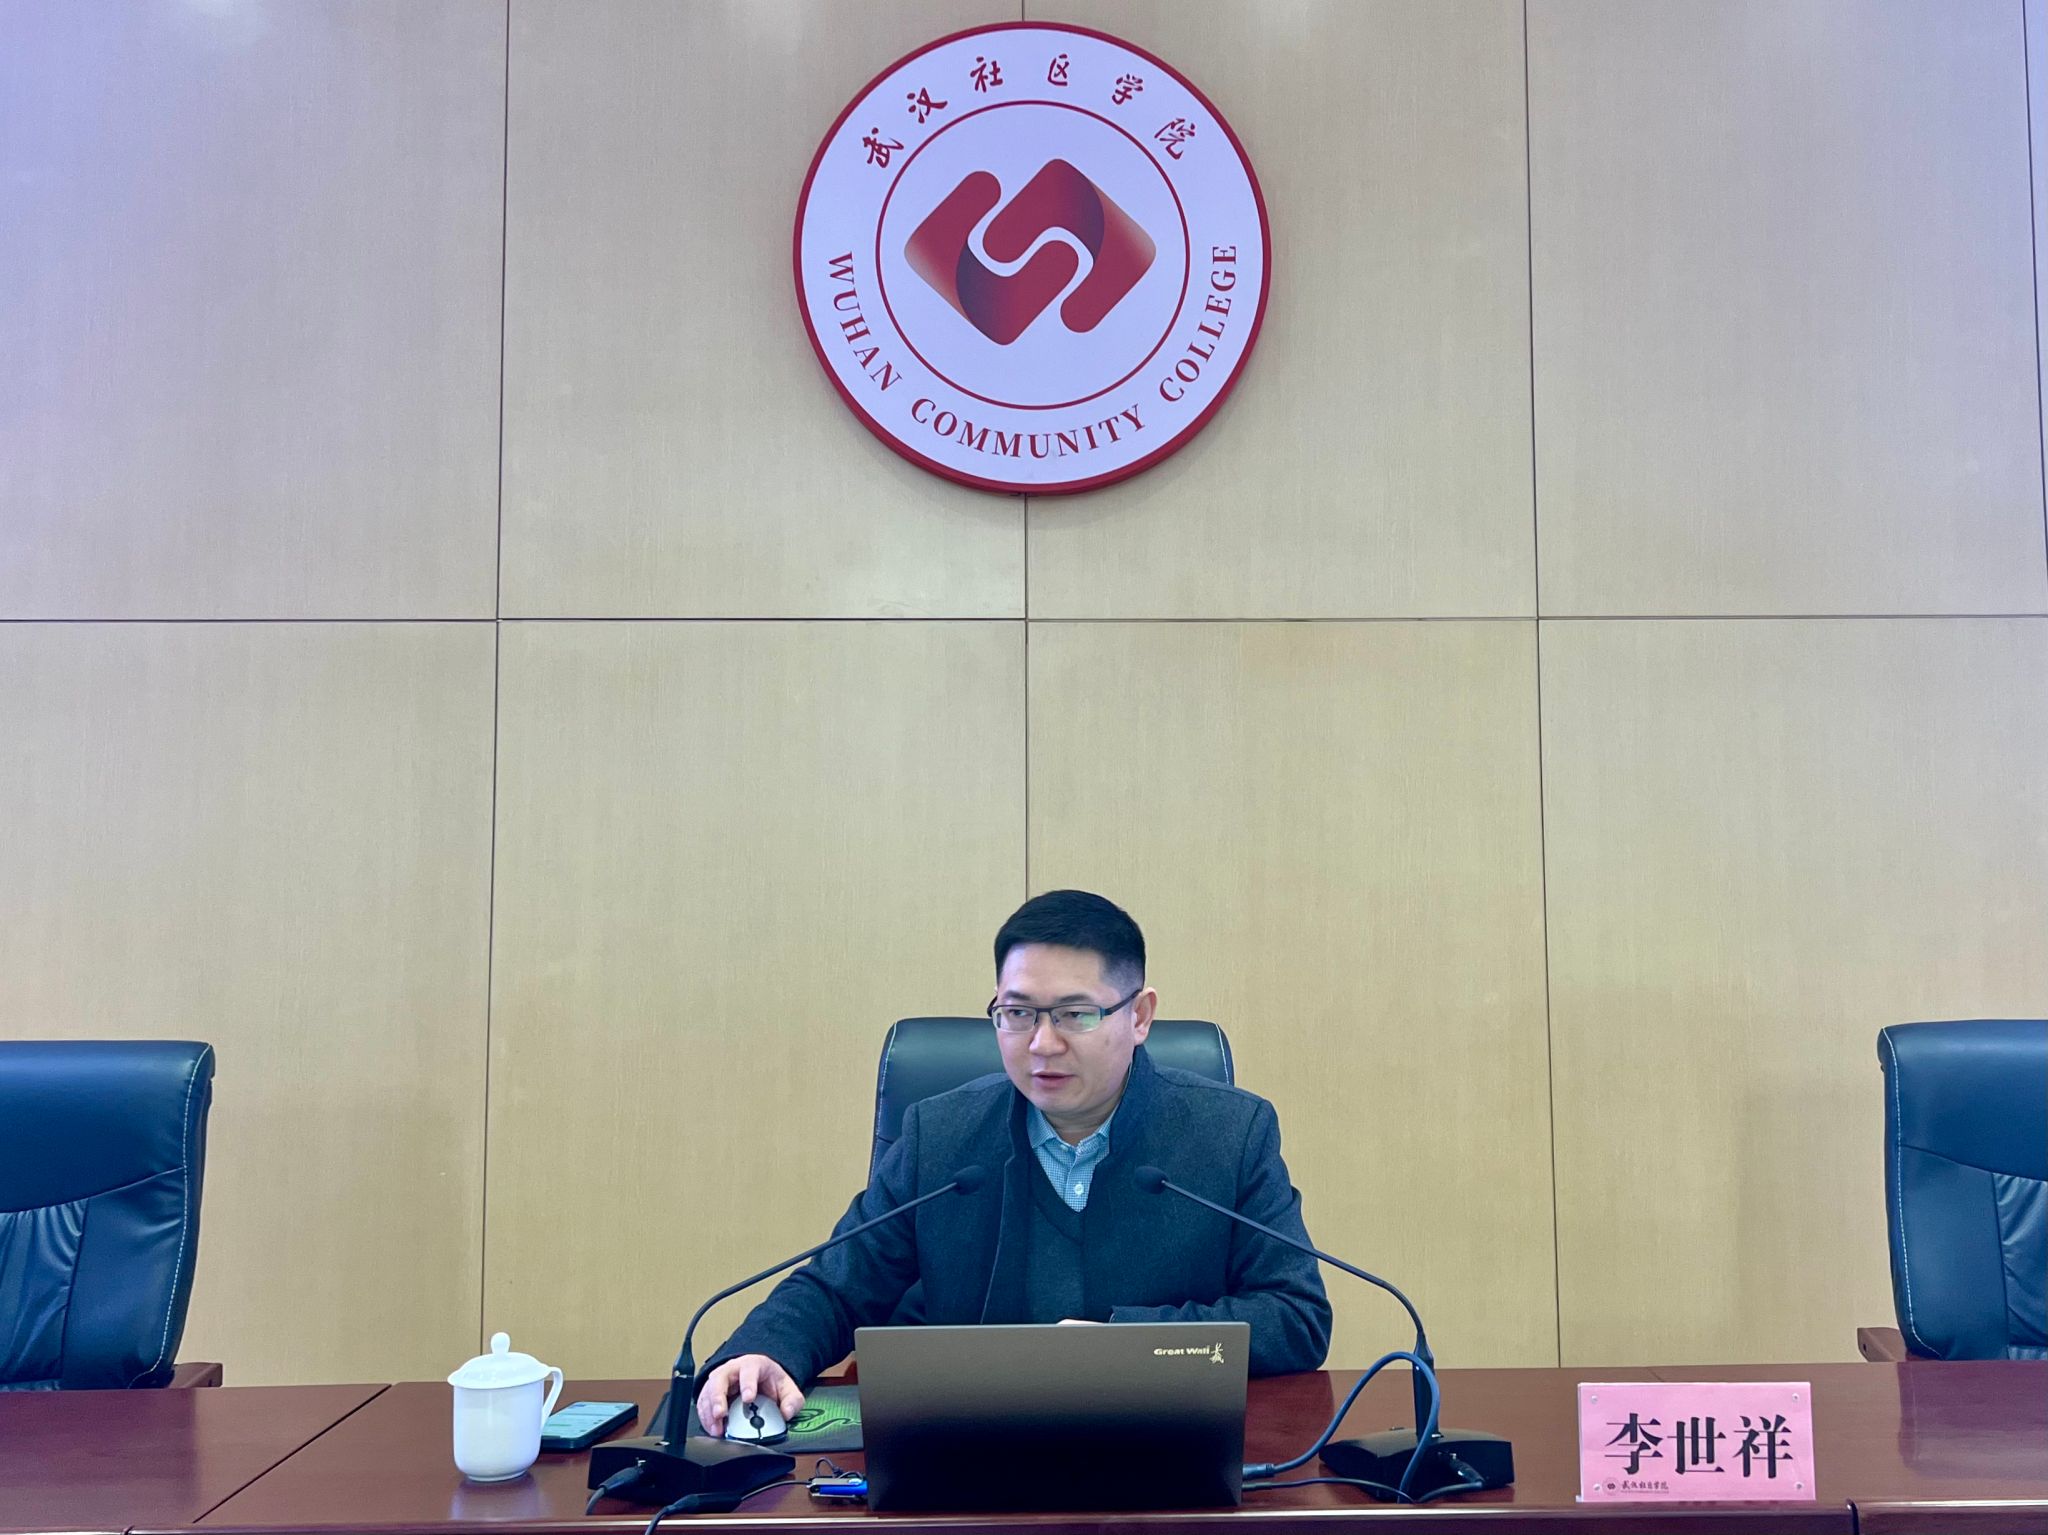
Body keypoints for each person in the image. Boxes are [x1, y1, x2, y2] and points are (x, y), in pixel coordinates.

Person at [696, 889, 1332, 1435]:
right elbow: (837, 1287)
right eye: (1018, 1013)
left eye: (1075, 1015)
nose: (1042, 1043)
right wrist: (764, 1351)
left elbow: (1296, 1317)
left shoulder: (1230, 1134)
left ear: (1139, 1016)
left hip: (1166, 1446)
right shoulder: (940, 1138)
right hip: (968, 1452)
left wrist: (1126, 1346)